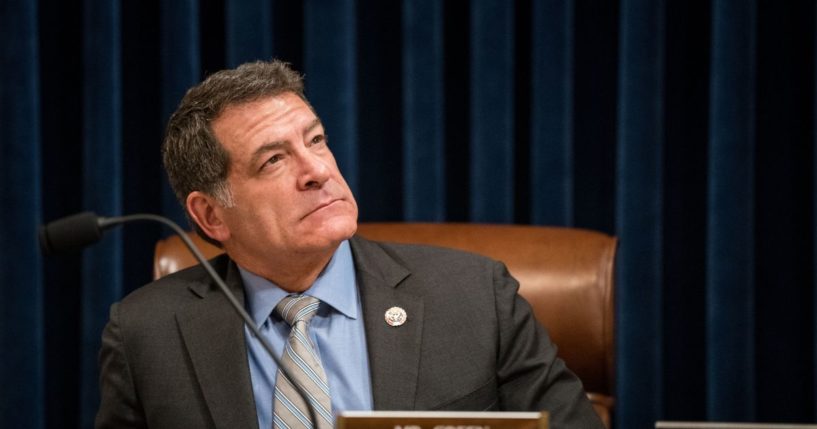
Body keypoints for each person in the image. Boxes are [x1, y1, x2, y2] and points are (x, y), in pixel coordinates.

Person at [95, 59, 604, 429]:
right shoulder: (146, 335)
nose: (318, 171)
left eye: (315, 141)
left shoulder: (476, 297)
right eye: (274, 160)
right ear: (210, 215)